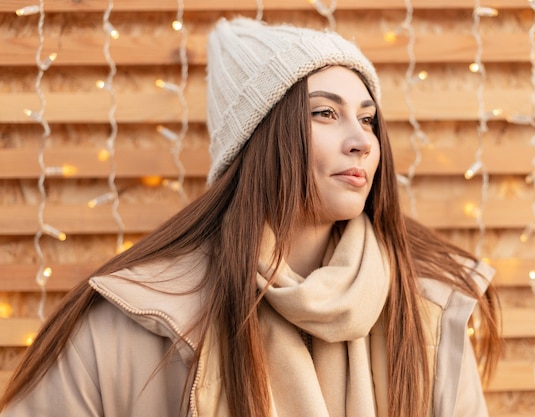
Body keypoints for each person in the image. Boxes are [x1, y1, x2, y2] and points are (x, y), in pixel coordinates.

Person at [0, 17, 500, 417]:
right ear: (259, 140)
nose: (362, 140)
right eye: (325, 113)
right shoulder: (129, 324)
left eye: (367, 118)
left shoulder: (428, 307)